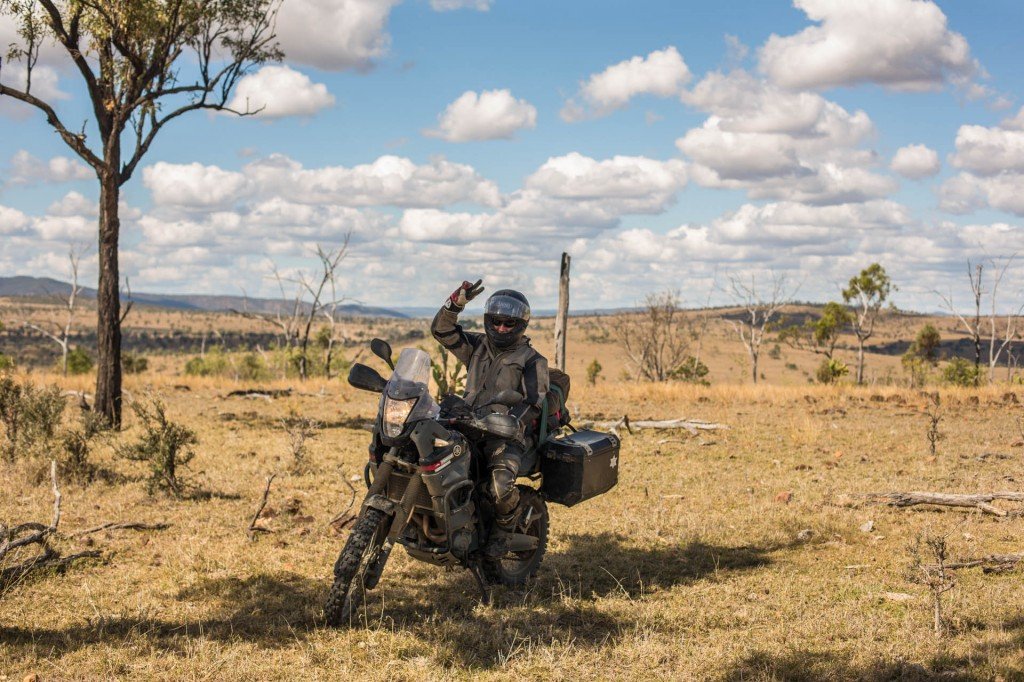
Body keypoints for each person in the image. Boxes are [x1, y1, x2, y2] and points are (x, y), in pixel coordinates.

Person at [431, 279, 549, 554]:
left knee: (499, 487)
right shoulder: (476, 346)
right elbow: (441, 330)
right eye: (495, 321)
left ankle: (505, 528)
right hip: (465, 424)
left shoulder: (532, 360)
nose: (501, 328)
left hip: (505, 434)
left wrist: (508, 422)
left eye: (508, 324)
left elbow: (533, 402)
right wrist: (455, 303)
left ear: (520, 325)